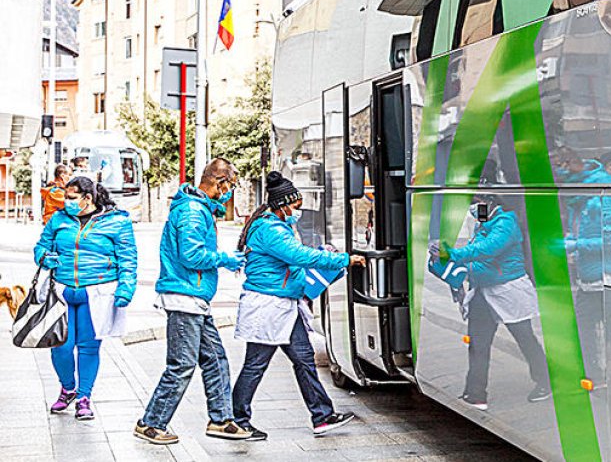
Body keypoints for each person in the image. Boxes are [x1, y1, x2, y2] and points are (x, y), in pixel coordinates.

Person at [231, 172, 365, 439]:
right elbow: (298, 256)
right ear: (282, 204)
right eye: (295, 206)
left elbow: (294, 260)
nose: (297, 212)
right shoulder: (269, 230)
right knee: (255, 365)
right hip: (267, 307)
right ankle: (237, 420)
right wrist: (343, 260)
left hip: (284, 307)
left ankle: (322, 416)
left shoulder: (277, 226)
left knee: (304, 361)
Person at [134, 158, 250, 445]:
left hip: (195, 298)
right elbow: (191, 255)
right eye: (230, 186)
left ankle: (221, 419)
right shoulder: (192, 212)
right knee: (182, 364)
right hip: (184, 297)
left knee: (215, 358)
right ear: (219, 181)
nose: (230, 192)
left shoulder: (198, 209)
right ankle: (151, 423)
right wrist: (225, 259)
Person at [33, 176, 137, 420]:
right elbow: (41, 245)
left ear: (87, 198)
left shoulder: (117, 222)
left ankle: (84, 397)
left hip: (98, 293)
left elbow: (128, 258)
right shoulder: (58, 219)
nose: (65, 202)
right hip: (62, 291)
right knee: (60, 346)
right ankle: (68, 388)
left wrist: (126, 288)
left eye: (71, 198)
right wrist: (43, 257)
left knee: (89, 347)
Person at [441, 197, 551, 410]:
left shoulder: (506, 223)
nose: (472, 207)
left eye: (476, 201)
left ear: (489, 201)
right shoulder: (483, 222)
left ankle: (545, 381)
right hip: (483, 291)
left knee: (525, 338)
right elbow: (477, 252)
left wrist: (453, 255)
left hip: (508, 292)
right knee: (477, 344)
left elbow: (487, 249)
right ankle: (475, 394)